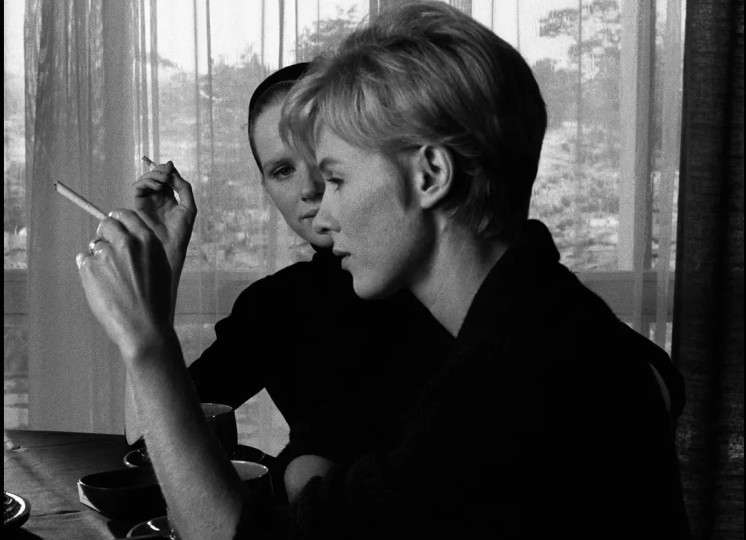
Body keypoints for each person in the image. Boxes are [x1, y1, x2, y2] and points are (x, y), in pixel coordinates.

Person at [77, 2, 688, 539]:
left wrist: (147, 343)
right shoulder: (539, 315)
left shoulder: (512, 376)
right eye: (286, 171)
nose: (322, 208)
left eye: (337, 177)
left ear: (430, 174)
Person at [124, 62, 454, 503]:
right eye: (282, 170)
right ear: (265, 187)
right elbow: (149, 437)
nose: (311, 187)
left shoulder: (449, 285)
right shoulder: (277, 305)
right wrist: (159, 273)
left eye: (324, 159)